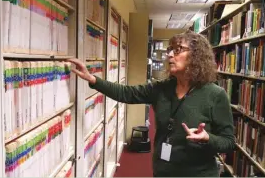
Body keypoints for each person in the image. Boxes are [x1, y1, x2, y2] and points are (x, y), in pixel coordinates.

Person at [67, 30, 235, 177]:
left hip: (198, 175)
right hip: (163, 172)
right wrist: (93, 79)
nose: (169, 55)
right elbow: (127, 93)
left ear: (197, 56)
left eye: (177, 50)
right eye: (170, 50)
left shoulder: (215, 94)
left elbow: (228, 142)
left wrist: (207, 138)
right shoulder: (161, 88)